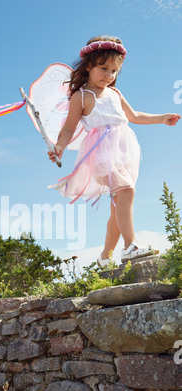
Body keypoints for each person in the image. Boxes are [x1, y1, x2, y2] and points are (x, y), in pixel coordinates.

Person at [48, 35, 180, 267]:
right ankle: (131, 246)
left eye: (114, 71)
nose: (109, 75)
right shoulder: (81, 96)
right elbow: (68, 128)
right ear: (88, 66)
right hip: (100, 153)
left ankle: (104, 257)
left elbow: (134, 116)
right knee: (126, 190)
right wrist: (60, 146)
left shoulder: (115, 94)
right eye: (104, 68)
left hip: (124, 150)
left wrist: (162, 118)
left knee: (118, 205)